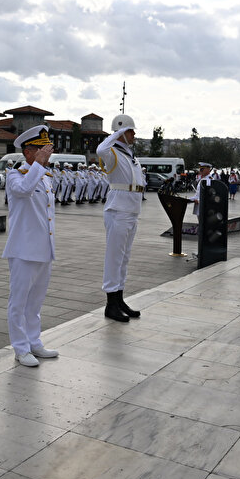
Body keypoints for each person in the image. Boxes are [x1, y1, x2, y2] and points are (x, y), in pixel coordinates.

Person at [2, 125, 60, 367]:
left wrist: (41, 166)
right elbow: (24, 191)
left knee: (35, 302)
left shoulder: (44, 178)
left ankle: (34, 342)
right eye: (40, 149)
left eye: (46, 149)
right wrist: (39, 165)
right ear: (27, 152)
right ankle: (20, 348)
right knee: (19, 302)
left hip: (43, 249)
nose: (45, 153)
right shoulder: (15, 175)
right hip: (23, 250)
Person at [97, 115, 146, 323]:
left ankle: (119, 298)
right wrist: (116, 133)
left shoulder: (130, 155)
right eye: (131, 131)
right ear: (121, 133)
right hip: (117, 210)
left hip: (131, 210)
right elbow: (100, 150)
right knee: (114, 258)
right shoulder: (112, 153)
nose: (134, 134)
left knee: (124, 258)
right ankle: (110, 303)